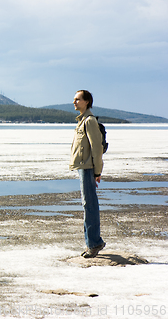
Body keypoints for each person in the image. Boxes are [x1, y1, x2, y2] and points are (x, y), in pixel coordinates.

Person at [70, 90, 106, 258]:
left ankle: (94, 243)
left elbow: (97, 148)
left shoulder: (89, 121)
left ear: (86, 102)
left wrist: (97, 171)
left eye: (77, 99)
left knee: (89, 204)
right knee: (88, 204)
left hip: (88, 168)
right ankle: (92, 242)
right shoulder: (83, 121)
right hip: (84, 167)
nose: (74, 102)